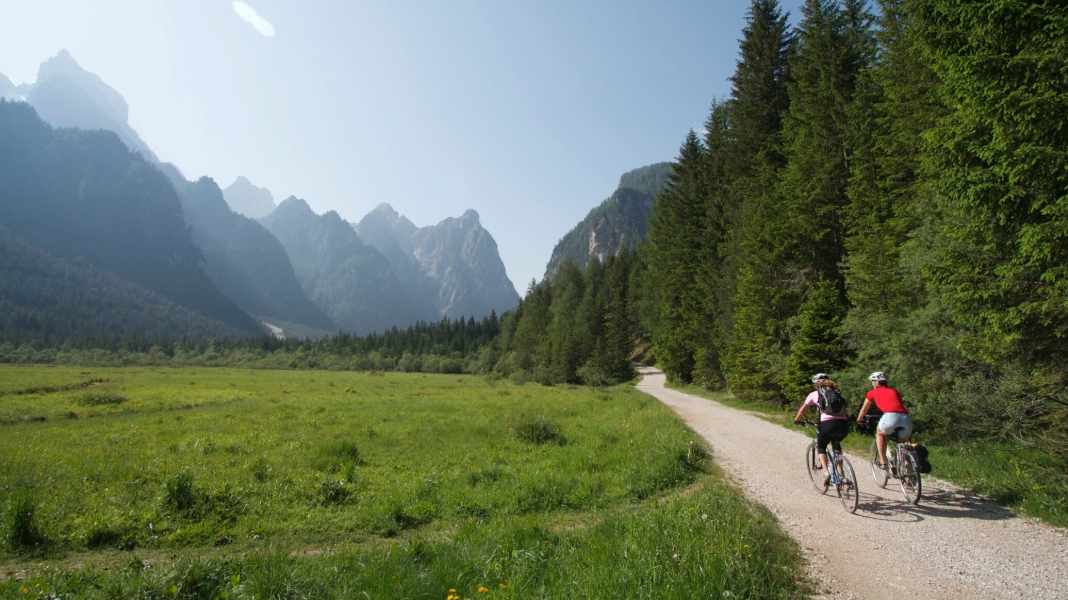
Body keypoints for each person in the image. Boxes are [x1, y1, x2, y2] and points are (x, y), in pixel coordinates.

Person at [793, 373, 850, 488]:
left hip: (827, 424)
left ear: (816, 384)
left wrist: (797, 420)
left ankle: (826, 472)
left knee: (821, 446)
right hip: (843, 425)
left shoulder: (814, 394)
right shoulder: (837, 392)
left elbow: (803, 409)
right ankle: (843, 476)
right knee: (836, 446)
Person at [856, 371, 912, 470]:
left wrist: (859, 419)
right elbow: (897, 405)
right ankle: (907, 462)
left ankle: (883, 462)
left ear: (876, 382)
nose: (872, 384)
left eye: (872, 381)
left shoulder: (872, 392)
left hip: (890, 416)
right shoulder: (894, 391)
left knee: (880, 433)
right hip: (905, 417)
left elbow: (864, 409)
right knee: (903, 441)